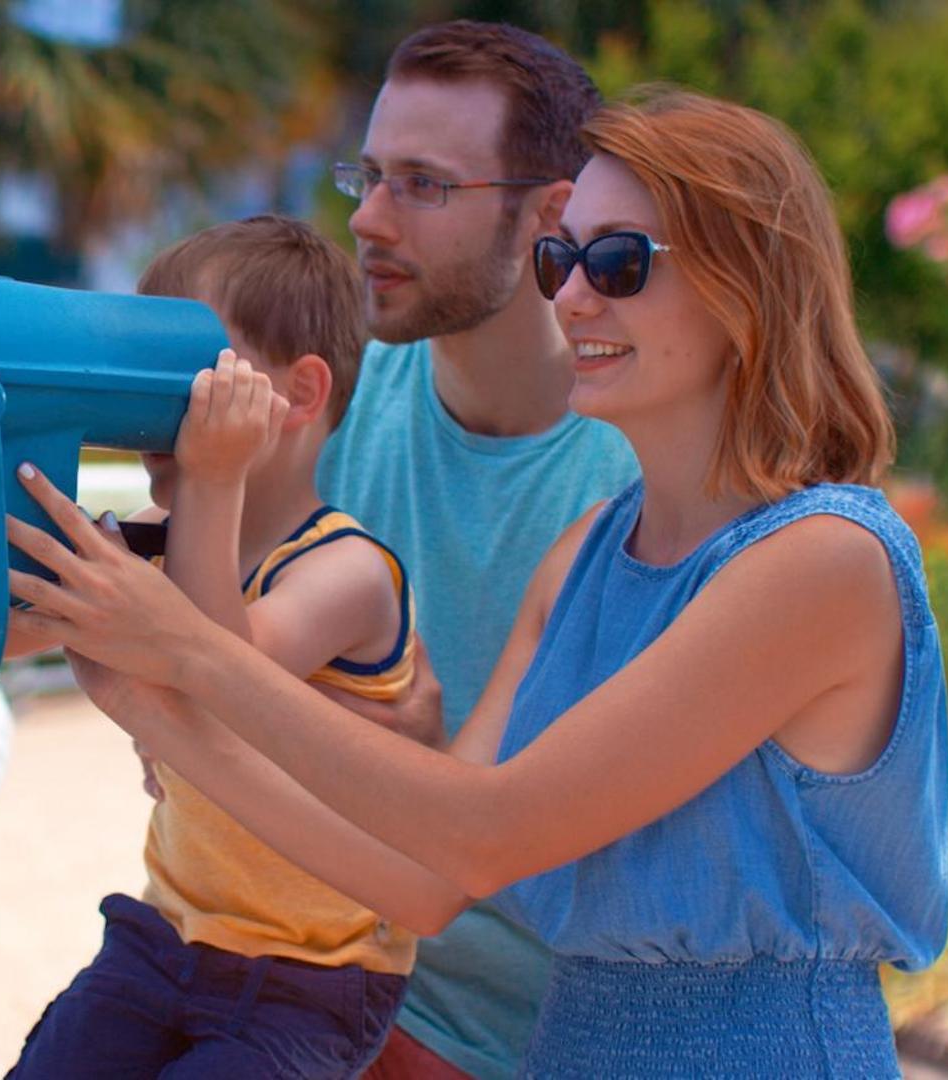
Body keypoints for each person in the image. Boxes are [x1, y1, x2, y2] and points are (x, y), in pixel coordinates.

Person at [4, 88, 948, 1077]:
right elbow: (420, 884)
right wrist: (150, 707)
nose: (571, 296)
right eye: (559, 258)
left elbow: (485, 834)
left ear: (743, 284)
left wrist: (188, 654)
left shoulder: (821, 562)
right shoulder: (586, 552)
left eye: (617, 262)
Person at [6, 216, 422, 1078]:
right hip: (163, 937)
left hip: (310, 980)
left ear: (299, 395)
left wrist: (214, 475)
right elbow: (11, 634)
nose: (159, 400)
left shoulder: (346, 570)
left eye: (189, 371)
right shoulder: (164, 536)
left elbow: (218, 667)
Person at [323, 21, 639, 1079]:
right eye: (366, 177)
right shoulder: (333, 403)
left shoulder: (646, 472)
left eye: (421, 185)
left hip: (539, 1045)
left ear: (551, 213)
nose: (367, 218)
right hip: (326, 989)